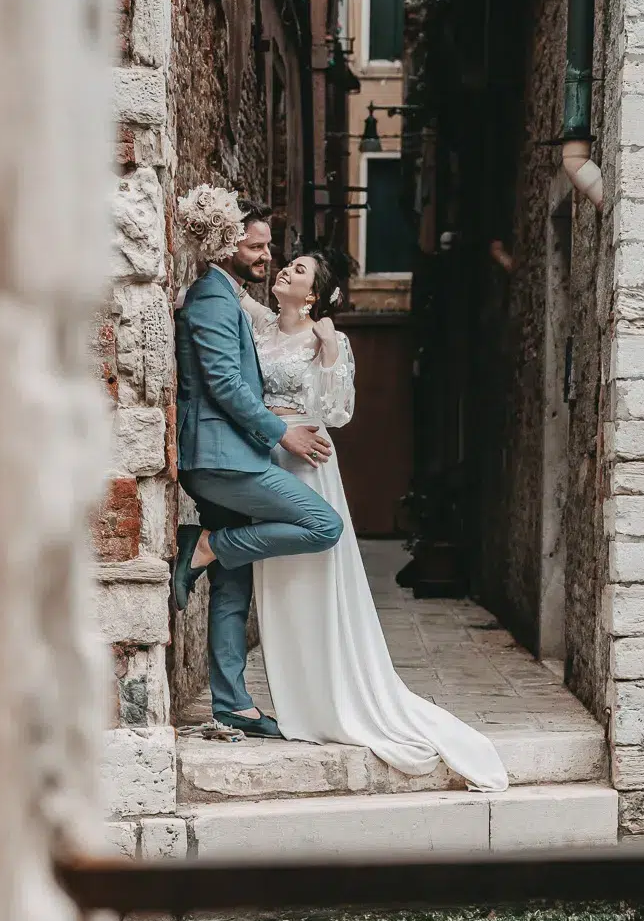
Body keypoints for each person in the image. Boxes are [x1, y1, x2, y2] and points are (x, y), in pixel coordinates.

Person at [249, 248, 508, 790]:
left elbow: (338, 412)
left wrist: (324, 354)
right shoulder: (257, 325)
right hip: (264, 457)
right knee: (276, 581)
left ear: (314, 294)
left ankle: (333, 702)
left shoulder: (328, 340)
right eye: (286, 263)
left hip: (307, 461)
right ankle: (296, 699)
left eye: (297, 270)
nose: (284, 270)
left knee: (313, 575)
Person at [173, 187, 343, 739]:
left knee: (233, 585)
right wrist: (281, 433)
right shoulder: (214, 300)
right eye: (257, 247)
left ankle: (232, 703)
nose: (266, 256)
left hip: (229, 453)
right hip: (223, 458)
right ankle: (203, 545)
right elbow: (222, 382)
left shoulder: (228, 297)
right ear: (225, 245)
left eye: (270, 248)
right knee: (322, 525)